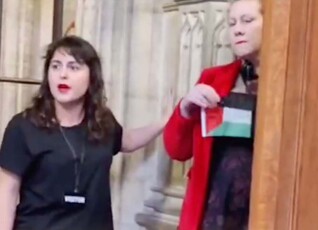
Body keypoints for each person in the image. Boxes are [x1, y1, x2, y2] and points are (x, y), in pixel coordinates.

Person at [0, 35, 165, 230]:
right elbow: (6, 193)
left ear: (91, 77)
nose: (63, 74)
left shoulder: (102, 122)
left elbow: (127, 140)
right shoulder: (23, 127)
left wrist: (165, 121)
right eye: (56, 66)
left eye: (73, 67)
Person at [163, 0, 263, 229]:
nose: (237, 29)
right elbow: (177, 150)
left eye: (247, 21)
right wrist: (186, 108)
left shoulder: (291, 84)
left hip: (266, 206)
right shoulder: (214, 79)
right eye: (232, 23)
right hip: (214, 211)